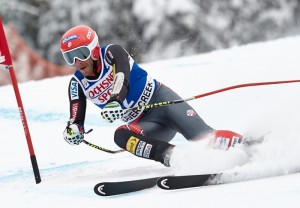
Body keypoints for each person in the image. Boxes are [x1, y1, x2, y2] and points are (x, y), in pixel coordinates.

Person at [61, 25, 243, 167]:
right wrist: (73, 130)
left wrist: (115, 100)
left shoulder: (111, 53)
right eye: (69, 57)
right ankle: (176, 158)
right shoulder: (77, 84)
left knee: (203, 137)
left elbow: (122, 77)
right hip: (148, 125)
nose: (76, 62)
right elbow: (75, 119)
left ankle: (250, 146)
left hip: (163, 103)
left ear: (93, 49)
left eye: (80, 54)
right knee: (121, 136)